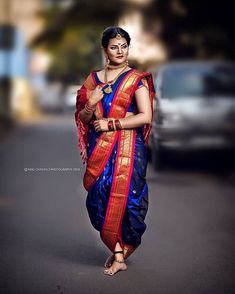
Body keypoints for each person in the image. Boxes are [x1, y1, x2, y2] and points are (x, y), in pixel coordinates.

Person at [75, 26, 155, 276]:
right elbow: (84, 118)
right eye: (114, 46)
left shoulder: (136, 79)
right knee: (99, 197)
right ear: (105, 50)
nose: (120, 51)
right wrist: (91, 102)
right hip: (101, 149)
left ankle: (120, 253)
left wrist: (112, 123)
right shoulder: (93, 81)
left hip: (130, 149)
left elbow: (145, 116)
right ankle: (117, 251)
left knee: (129, 200)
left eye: (124, 46)